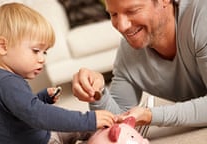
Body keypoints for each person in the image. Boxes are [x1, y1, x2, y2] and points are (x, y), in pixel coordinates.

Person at [0, 2, 115, 144]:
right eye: (36, 51)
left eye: (45, 52)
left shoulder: (0, 81)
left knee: (84, 128)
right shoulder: (6, 83)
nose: (42, 59)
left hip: (40, 135)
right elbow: (39, 115)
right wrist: (89, 119)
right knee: (86, 124)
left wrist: (41, 98)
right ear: (3, 46)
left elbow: (20, 109)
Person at [72, 0, 207, 128]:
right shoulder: (128, 53)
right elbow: (118, 119)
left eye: (132, 11)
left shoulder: (201, 16)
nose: (122, 26)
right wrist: (97, 93)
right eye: (114, 14)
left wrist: (150, 115)